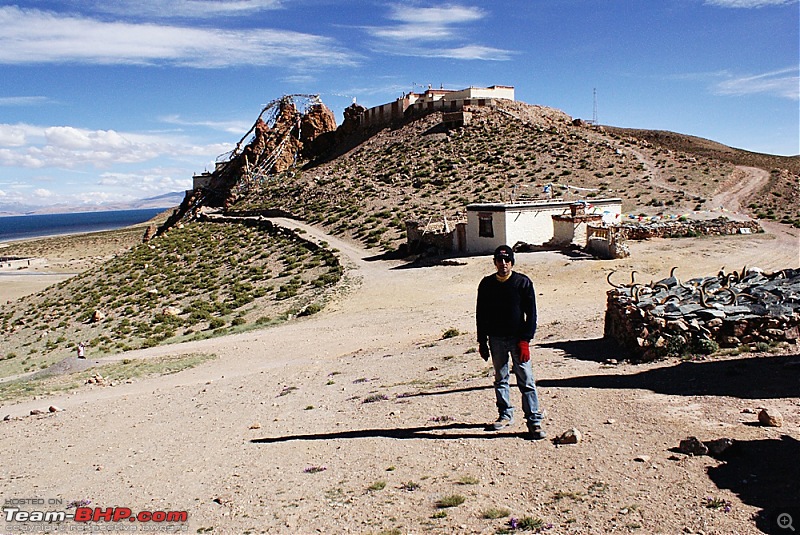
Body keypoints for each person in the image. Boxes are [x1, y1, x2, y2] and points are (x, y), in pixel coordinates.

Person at [476, 245, 546, 440]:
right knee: (501, 378)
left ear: (512, 262)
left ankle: (533, 421)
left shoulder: (522, 283)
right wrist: (482, 341)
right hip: (496, 339)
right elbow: (481, 314)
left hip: (517, 340)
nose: (503, 264)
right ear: (495, 262)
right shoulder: (487, 284)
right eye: (500, 260)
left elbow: (531, 314)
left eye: (507, 260)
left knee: (526, 380)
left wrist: (525, 340)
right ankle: (505, 414)